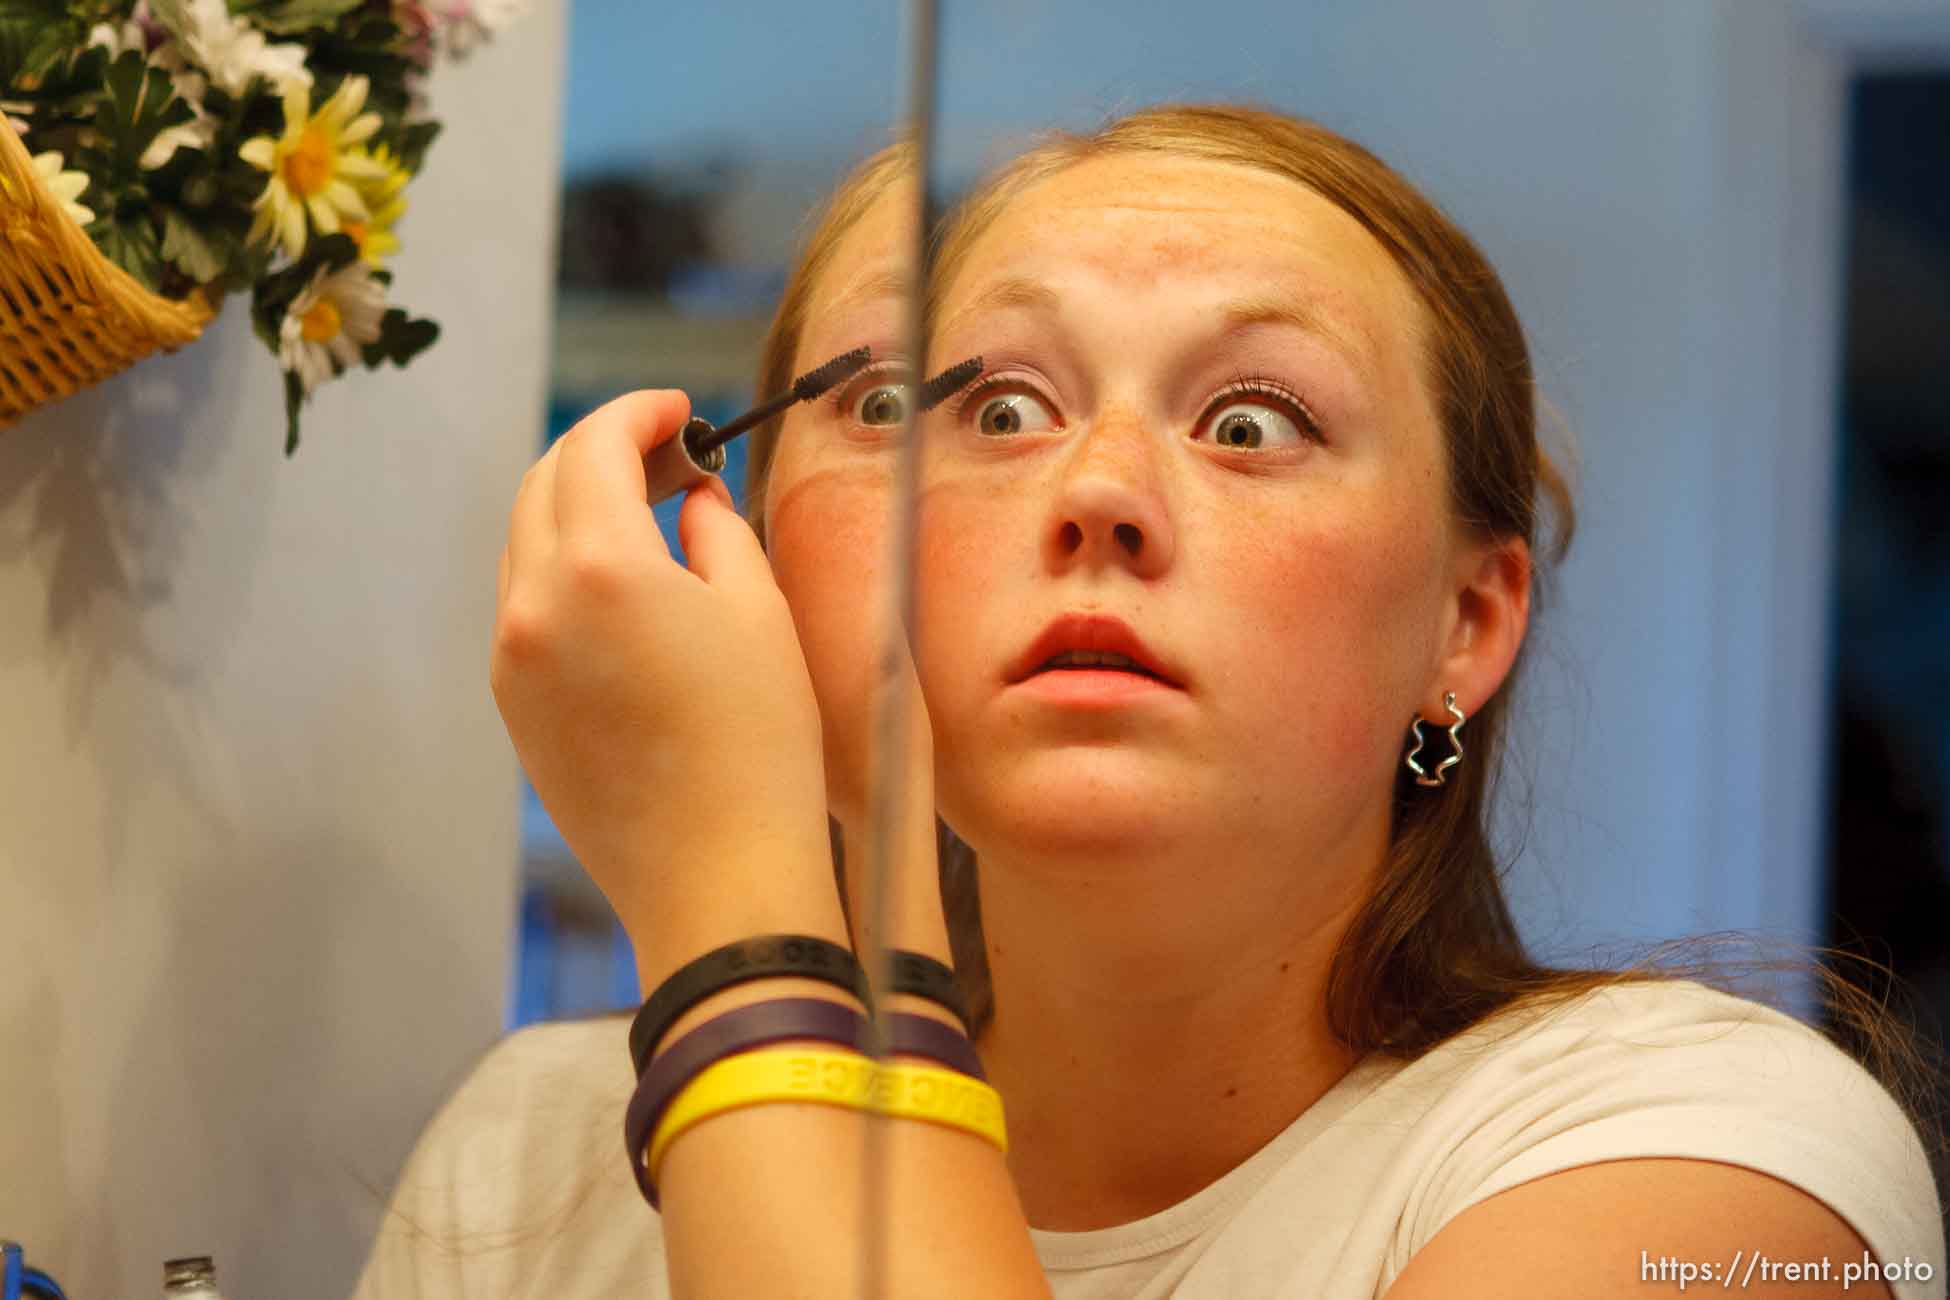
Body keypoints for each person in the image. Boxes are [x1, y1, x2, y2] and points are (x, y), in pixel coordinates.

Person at [353, 107, 1946, 1298]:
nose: (1100, 491)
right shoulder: (536, 1157)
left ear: (1466, 622)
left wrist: (735, 927)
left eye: (1251, 422)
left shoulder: (1705, 1160)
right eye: (969, 402)